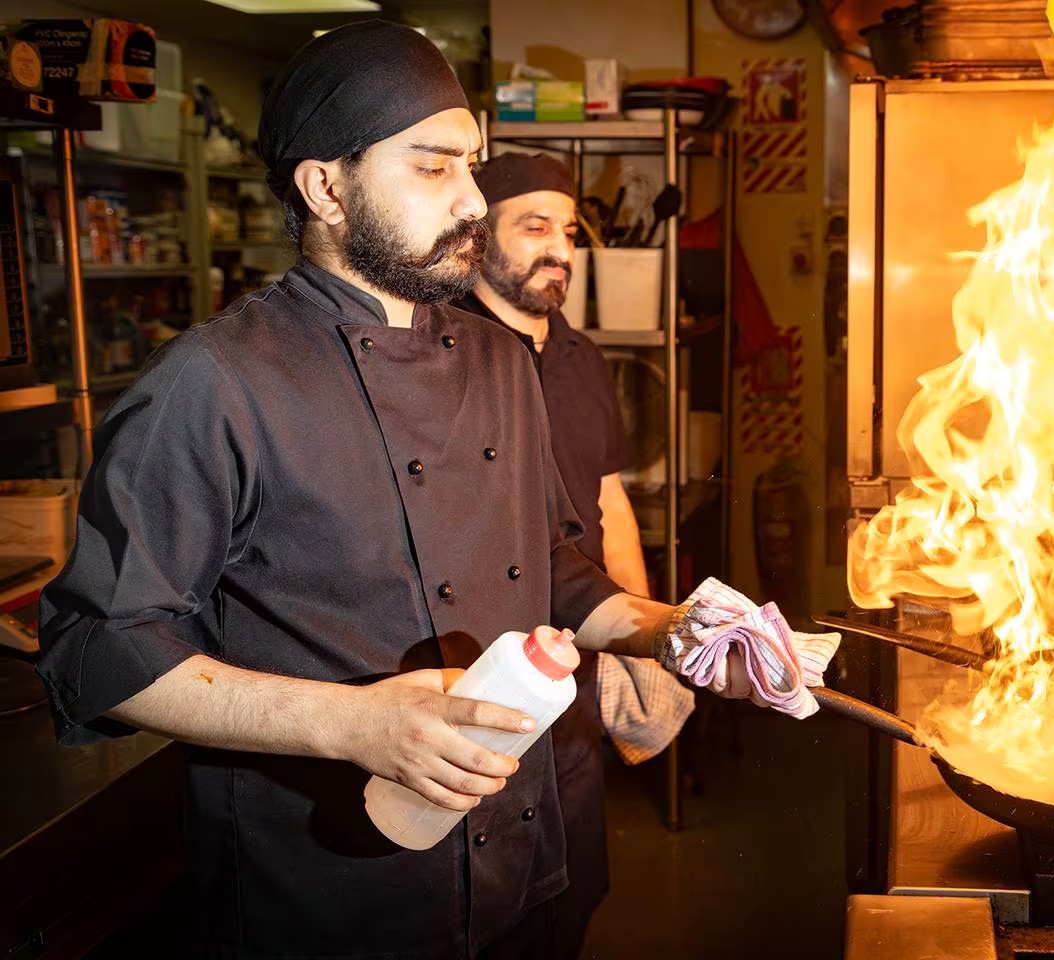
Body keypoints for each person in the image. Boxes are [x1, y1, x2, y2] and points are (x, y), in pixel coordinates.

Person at [34, 21, 834, 960]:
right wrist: (357, 723)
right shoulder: (215, 385)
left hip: (514, 858)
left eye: (474, 167)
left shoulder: (500, 360)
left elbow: (549, 568)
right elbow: (97, 647)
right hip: (325, 898)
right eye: (434, 168)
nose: (472, 201)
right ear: (326, 187)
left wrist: (680, 635)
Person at [455, 153, 694, 958]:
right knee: (489, 909)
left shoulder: (581, 356)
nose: (559, 249)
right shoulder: (444, 356)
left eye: (567, 231)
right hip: (483, 666)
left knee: (576, 885)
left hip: (581, 672)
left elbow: (609, 503)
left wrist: (652, 638)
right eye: (533, 228)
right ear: (478, 238)